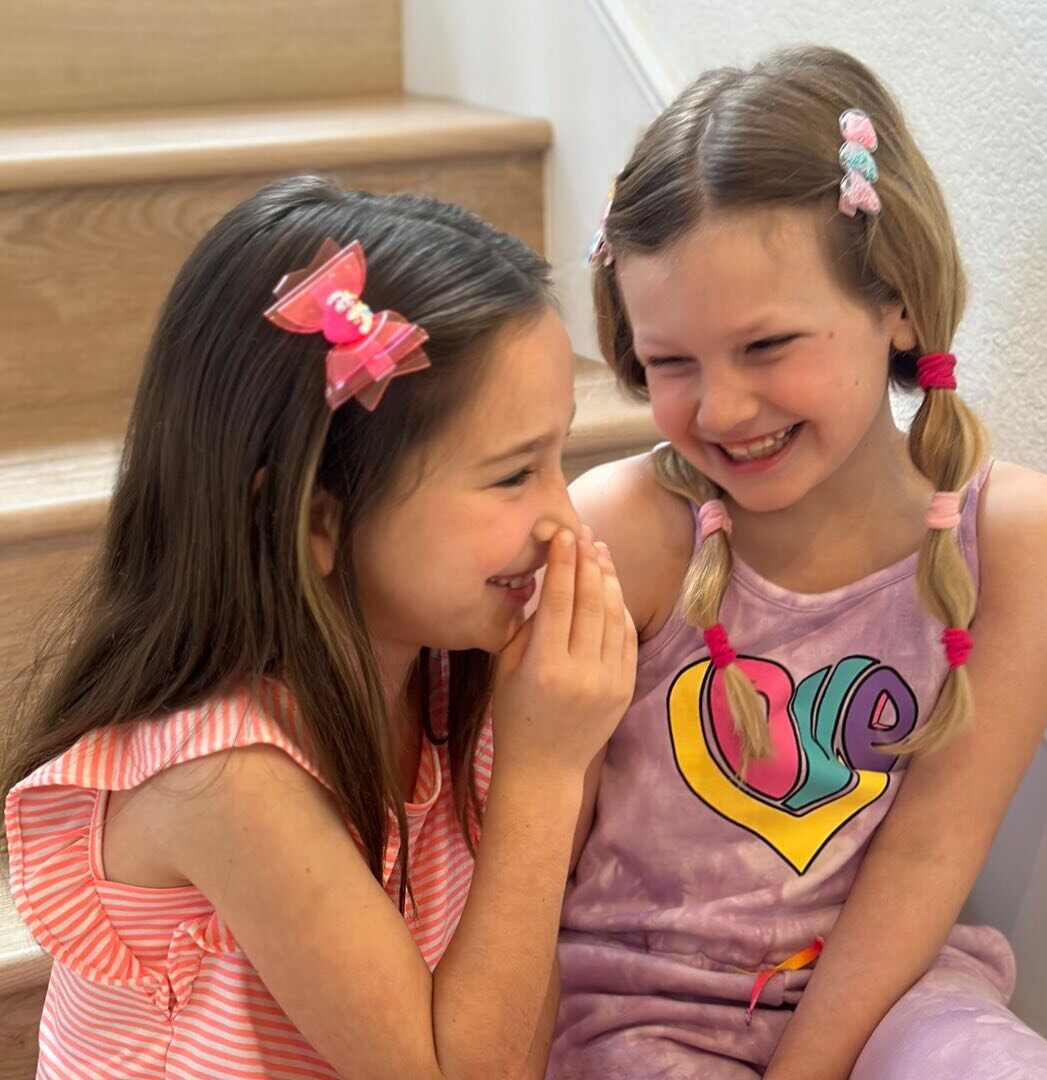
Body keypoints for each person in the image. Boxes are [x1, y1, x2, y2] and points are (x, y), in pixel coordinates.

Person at [2, 175, 637, 1079]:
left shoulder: (457, 663)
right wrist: (546, 772)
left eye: (559, 456)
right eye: (510, 476)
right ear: (317, 524)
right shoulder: (223, 776)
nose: (564, 522)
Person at [550, 45, 1047, 1080]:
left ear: (900, 306)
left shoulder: (1022, 540)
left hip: (895, 993)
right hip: (632, 1006)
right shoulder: (624, 529)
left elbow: (929, 854)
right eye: (671, 363)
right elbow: (528, 846)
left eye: (767, 345)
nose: (723, 409)